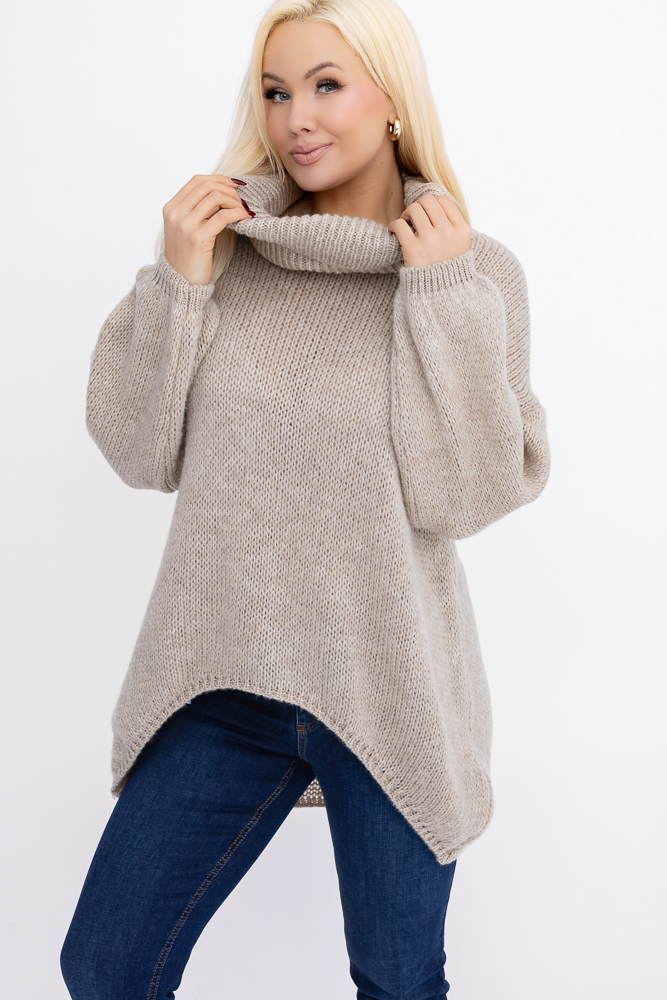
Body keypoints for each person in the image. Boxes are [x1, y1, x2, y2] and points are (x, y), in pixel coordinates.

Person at [60, 0, 550, 997]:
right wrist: (180, 280)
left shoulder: (473, 271)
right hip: (224, 676)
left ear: (392, 100)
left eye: (327, 85)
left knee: (397, 981)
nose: (296, 118)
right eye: (276, 92)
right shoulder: (223, 253)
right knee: (107, 965)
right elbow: (140, 452)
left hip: (389, 687)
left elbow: (466, 496)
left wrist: (439, 295)